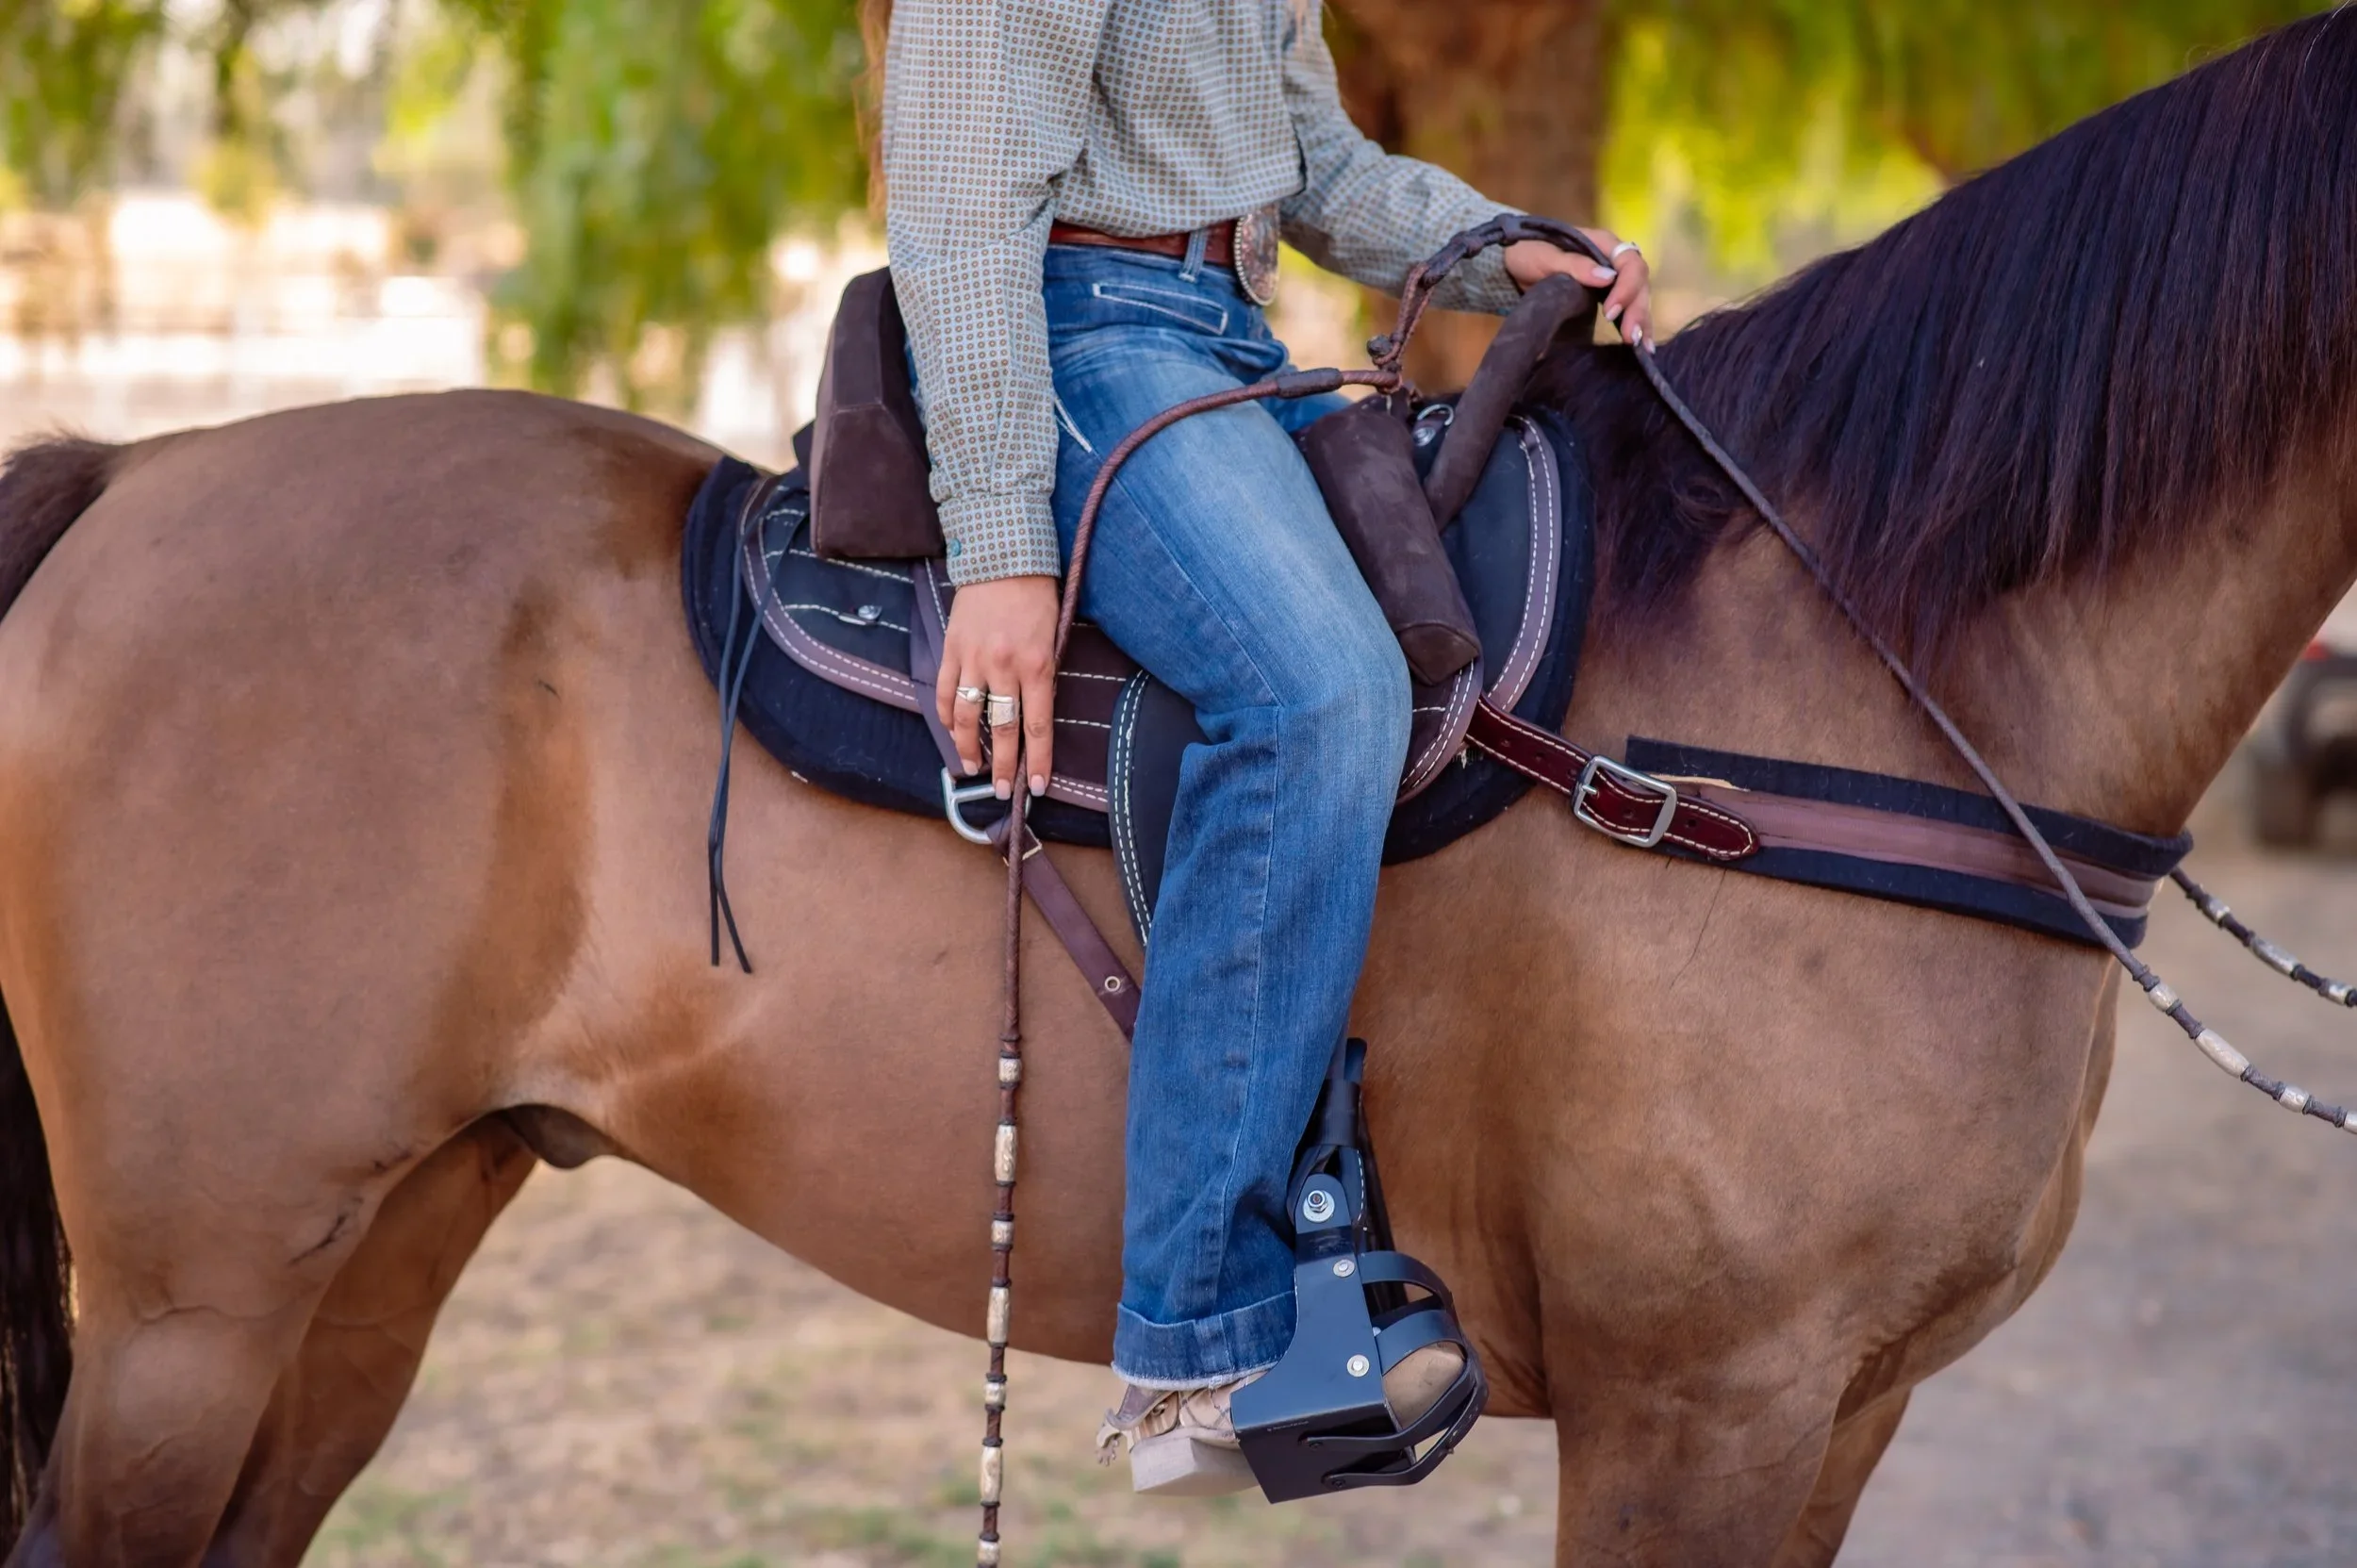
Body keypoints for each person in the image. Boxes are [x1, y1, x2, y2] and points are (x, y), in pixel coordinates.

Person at [881, 0, 1651, 1495]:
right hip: (1078, 339)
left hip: (1225, 341)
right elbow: (965, 191)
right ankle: (1198, 1339)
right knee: (1320, 694)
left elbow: (1313, 167)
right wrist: (998, 546)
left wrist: (1503, 246)